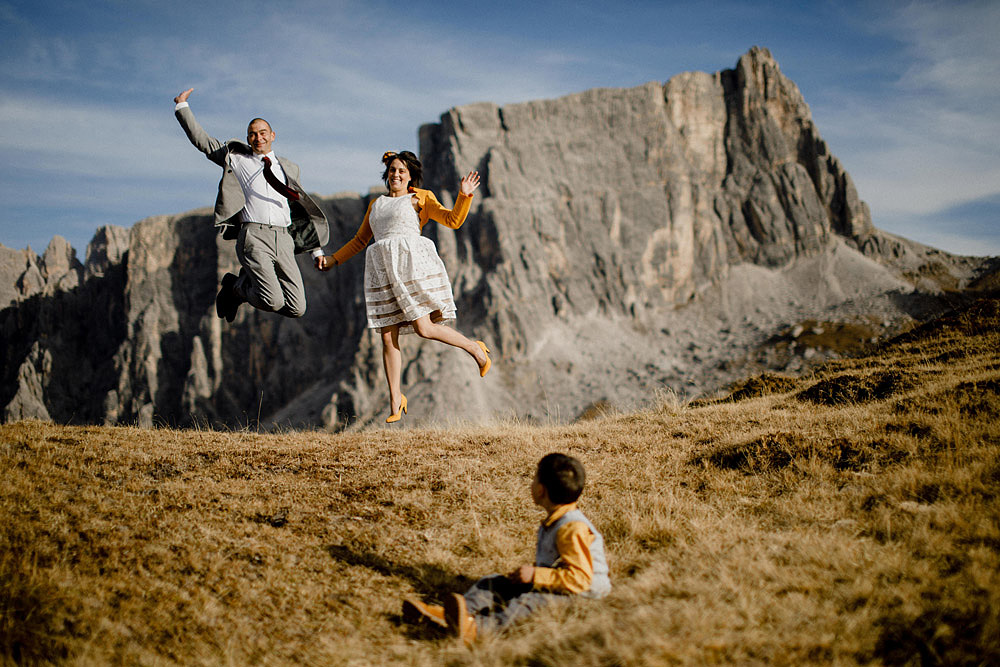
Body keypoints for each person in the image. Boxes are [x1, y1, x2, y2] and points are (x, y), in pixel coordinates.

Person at [316, 150, 490, 423]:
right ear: (387, 173)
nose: (395, 174)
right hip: (382, 271)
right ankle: (396, 398)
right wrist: (333, 259)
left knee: (424, 327)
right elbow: (360, 241)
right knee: (387, 336)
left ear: (410, 177)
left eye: (402, 171)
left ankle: (475, 348)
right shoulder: (376, 205)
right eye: (392, 170)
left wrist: (464, 195)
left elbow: (452, 220)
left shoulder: (420, 197)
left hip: (409, 268)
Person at [402, 453, 611, 644]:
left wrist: (536, 575)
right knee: (493, 583)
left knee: (527, 603)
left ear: (541, 490)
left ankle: (477, 630)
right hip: (556, 584)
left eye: (534, 479)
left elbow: (581, 579)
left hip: (581, 596)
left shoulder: (571, 528)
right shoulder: (556, 520)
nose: (532, 484)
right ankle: (453, 613)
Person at [173, 88, 329, 322]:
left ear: (273, 135)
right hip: (254, 236)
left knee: (297, 308)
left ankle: (238, 285)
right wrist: (182, 107)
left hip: (284, 239)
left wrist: (315, 250)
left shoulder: (290, 168)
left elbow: (297, 211)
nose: (259, 138)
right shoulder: (236, 159)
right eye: (253, 134)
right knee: (272, 300)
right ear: (248, 138)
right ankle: (236, 290)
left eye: (263, 133)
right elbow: (202, 141)